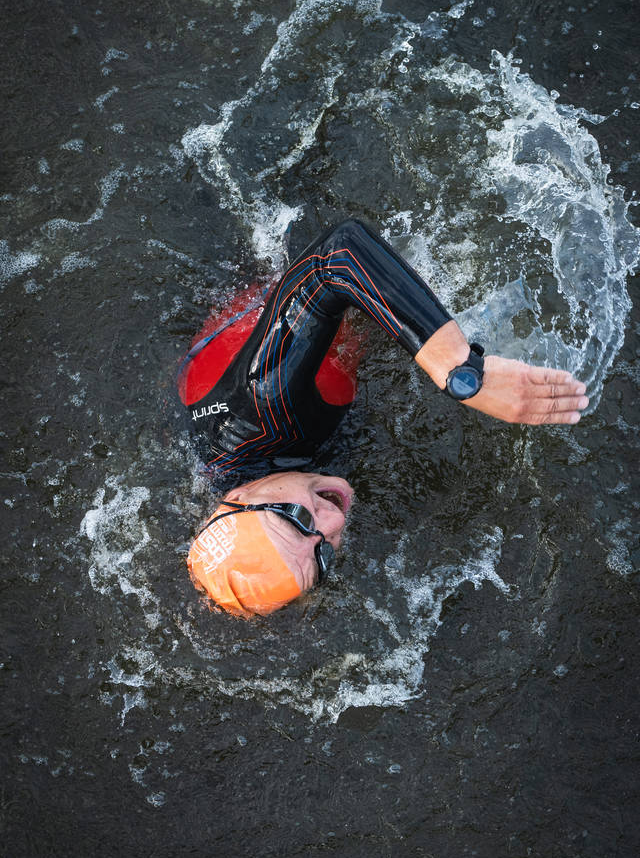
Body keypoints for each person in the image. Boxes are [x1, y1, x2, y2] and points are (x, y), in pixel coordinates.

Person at [178, 218, 588, 618]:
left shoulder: (257, 413)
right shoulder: (267, 484)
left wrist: (461, 373)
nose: (334, 524)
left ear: (240, 499)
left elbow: (336, 256)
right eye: (321, 558)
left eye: (299, 519)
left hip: (292, 230)